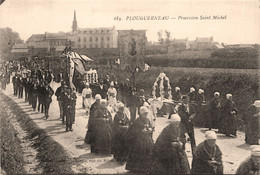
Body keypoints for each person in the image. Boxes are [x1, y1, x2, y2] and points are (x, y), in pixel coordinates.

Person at [126, 106, 154, 173]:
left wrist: (150, 130)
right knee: (138, 153)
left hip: (147, 139)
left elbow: (151, 127)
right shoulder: (137, 121)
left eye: (146, 113)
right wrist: (140, 131)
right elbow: (132, 131)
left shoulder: (147, 120)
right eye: (144, 113)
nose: (146, 115)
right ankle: (136, 168)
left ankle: (147, 167)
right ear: (141, 114)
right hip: (139, 140)